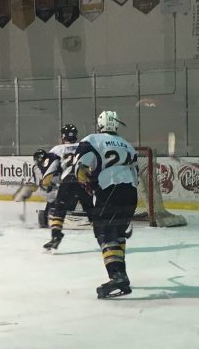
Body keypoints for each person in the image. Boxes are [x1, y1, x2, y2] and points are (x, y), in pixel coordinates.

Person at [74, 111, 138, 299]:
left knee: (105, 232)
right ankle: (122, 273)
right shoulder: (128, 145)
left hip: (109, 189)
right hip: (131, 192)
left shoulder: (92, 139)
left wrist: (85, 183)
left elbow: (81, 167)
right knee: (118, 234)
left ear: (100, 124)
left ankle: (117, 276)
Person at [42, 124, 94, 251]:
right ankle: (107, 236)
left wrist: (47, 180)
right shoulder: (84, 146)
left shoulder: (57, 149)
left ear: (63, 136)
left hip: (67, 183)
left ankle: (56, 236)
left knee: (59, 210)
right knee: (92, 211)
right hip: (83, 182)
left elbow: (50, 169)